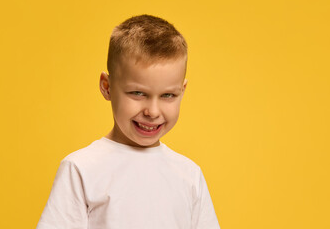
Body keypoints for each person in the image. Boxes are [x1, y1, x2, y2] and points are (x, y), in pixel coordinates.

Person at [36, 14, 220, 229]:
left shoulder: (189, 175)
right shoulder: (81, 168)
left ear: (182, 91)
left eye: (168, 95)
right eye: (137, 93)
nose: (152, 111)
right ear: (107, 86)